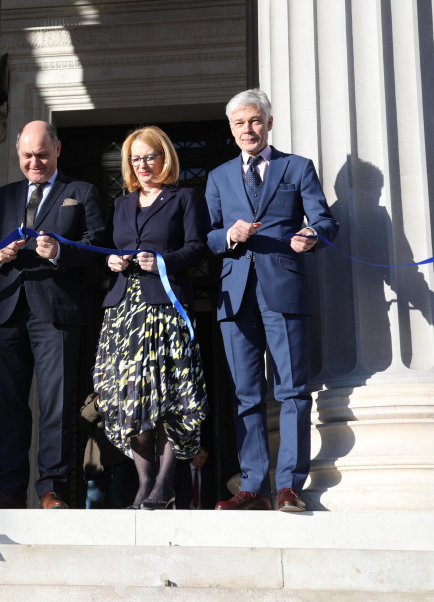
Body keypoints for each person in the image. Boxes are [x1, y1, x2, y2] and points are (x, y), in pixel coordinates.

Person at [206, 89, 339, 511]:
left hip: (284, 289)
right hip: (235, 294)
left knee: (292, 390)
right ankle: (252, 487)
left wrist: (312, 237)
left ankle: (289, 486)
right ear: (231, 129)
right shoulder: (218, 176)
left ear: (269, 122)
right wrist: (230, 235)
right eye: (239, 123)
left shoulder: (297, 167)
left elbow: (324, 221)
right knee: (246, 393)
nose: (248, 129)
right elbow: (206, 237)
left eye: (255, 121)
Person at [0, 120, 106, 510]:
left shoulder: (80, 192)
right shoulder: (2, 196)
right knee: (8, 404)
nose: (35, 162)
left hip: (56, 311)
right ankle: (10, 490)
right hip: (8, 309)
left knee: (55, 404)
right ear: (18, 154)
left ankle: (52, 489)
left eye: (42, 155)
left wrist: (60, 253)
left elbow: (98, 245)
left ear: (58, 150)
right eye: (27, 156)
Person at [93, 125, 209, 511]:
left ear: (165, 159)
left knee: (171, 397)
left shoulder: (185, 198)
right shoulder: (122, 204)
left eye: (149, 157)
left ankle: (164, 482)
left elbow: (198, 248)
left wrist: (162, 260)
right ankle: (144, 484)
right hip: (124, 313)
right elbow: (113, 249)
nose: (142, 165)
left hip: (166, 308)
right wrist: (112, 260)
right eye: (135, 158)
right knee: (129, 400)